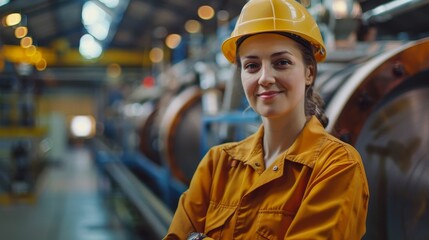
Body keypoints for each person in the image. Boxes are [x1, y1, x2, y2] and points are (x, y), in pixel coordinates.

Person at [164, 0, 369, 239]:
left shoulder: (337, 167)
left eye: (281, 62)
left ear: (309, 72)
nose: (264, 78)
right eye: (252, 66)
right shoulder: (217, 164)